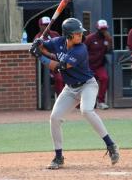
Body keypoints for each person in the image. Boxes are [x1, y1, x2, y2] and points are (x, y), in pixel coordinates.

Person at [29, 18, 119, 169]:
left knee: (86, 110)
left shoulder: (81, 49)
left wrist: (39, 56)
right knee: (55, 118)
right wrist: (37, 44)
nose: (81, 36)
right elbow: (43, 45)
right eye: (77, 33)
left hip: (87, 85)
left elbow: (58, 67)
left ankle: (111, 145)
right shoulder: (58, 42)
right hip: (70, 88)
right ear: (68, 35)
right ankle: (58, 157)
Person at [84, 19, 112, 110]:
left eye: (105, 29)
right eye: (102, 29)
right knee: (89, 84)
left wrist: (109, 41)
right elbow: (82, 50)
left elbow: (109, 51)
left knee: (104, 78)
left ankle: (101, 101)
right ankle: (90, 103)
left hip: (99, 65)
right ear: (98, 28)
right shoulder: (90, 38)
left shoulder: (107, 38)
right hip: (89, 66)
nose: (104, 30)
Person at [34, 16, 64, 96]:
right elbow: (40, 50)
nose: (47, 27)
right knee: (59, 78)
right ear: (40, 25)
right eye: (44, 25)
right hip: (47, 65)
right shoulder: (38, 37)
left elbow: (62, 44)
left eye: (48, 24)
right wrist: (51, 55)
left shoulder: (55, 34)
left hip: (60, 61)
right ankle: (60, 98)